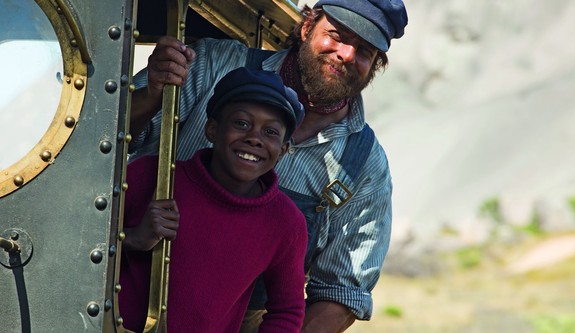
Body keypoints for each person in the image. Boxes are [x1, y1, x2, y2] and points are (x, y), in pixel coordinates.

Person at [128, 0, 408, 331]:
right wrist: (153, 93)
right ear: (307, 26)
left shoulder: (364, 166)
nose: (346, 54)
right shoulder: (214, 66)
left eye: (364, 50)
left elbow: (341, 293)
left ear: (376, 64)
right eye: (337, 35)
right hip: (133, 290)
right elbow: (111, 140)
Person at [119, 67, 308, 333]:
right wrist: (133, 239)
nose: (254, 138)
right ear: (212, 129)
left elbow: (287, 310)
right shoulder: (152, 175)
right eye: (241, 123)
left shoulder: (286, 222)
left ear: (284, 149)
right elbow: (79, 242)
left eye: (271, 133)